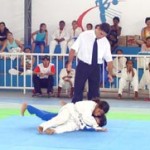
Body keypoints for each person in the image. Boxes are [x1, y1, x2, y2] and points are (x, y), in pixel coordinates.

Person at [67, 23, 113, 103]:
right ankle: (74, 110)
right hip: (83, 65)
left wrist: (110, 73)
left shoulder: (105, 42)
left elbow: (109, 60)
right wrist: (70, 63)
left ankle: (92, 112)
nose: (101, 36)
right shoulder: (84, 35)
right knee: (78, 90)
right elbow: (73, 49)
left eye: (104, 36)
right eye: (101, 34)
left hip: (96, 67)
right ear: (98, 28)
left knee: (94, 93)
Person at [37, 99, 109, 134]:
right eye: (99, 111)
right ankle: (43, 126)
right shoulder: (90, 105)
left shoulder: (93, 115)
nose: (98, 114)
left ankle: (53, 130)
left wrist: (97, 127)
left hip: (76, 119)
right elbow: (86, 117)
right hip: (70, 110)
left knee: (70, 127)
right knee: (61, 119)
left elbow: (86, 122)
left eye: (101, 114)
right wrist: (96, 126)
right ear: (97, 105)